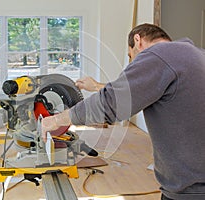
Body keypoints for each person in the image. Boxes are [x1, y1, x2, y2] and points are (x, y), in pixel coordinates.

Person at [41, 23, 205, 200]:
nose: (132, 62)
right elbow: (135, 93)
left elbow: (112, 103)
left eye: (130, 55)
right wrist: (97, 86)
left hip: (192, 191)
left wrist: (56, 120)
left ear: (137, 40)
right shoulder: (193, 55)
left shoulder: (157, 55)